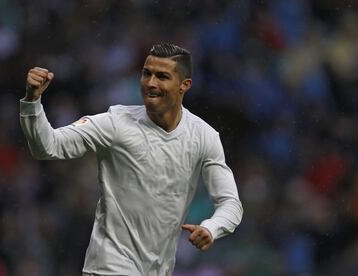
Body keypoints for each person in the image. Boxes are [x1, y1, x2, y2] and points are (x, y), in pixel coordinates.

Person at [20, 43, 243, 276]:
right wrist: (32, 101)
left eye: (162, 76)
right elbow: (48, 147)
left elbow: (230, 204)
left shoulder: (203, 136)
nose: (151, 83)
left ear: (184, 86)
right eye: (147, 73)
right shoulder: (116, 123)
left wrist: (211, 228)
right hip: (108, 268)